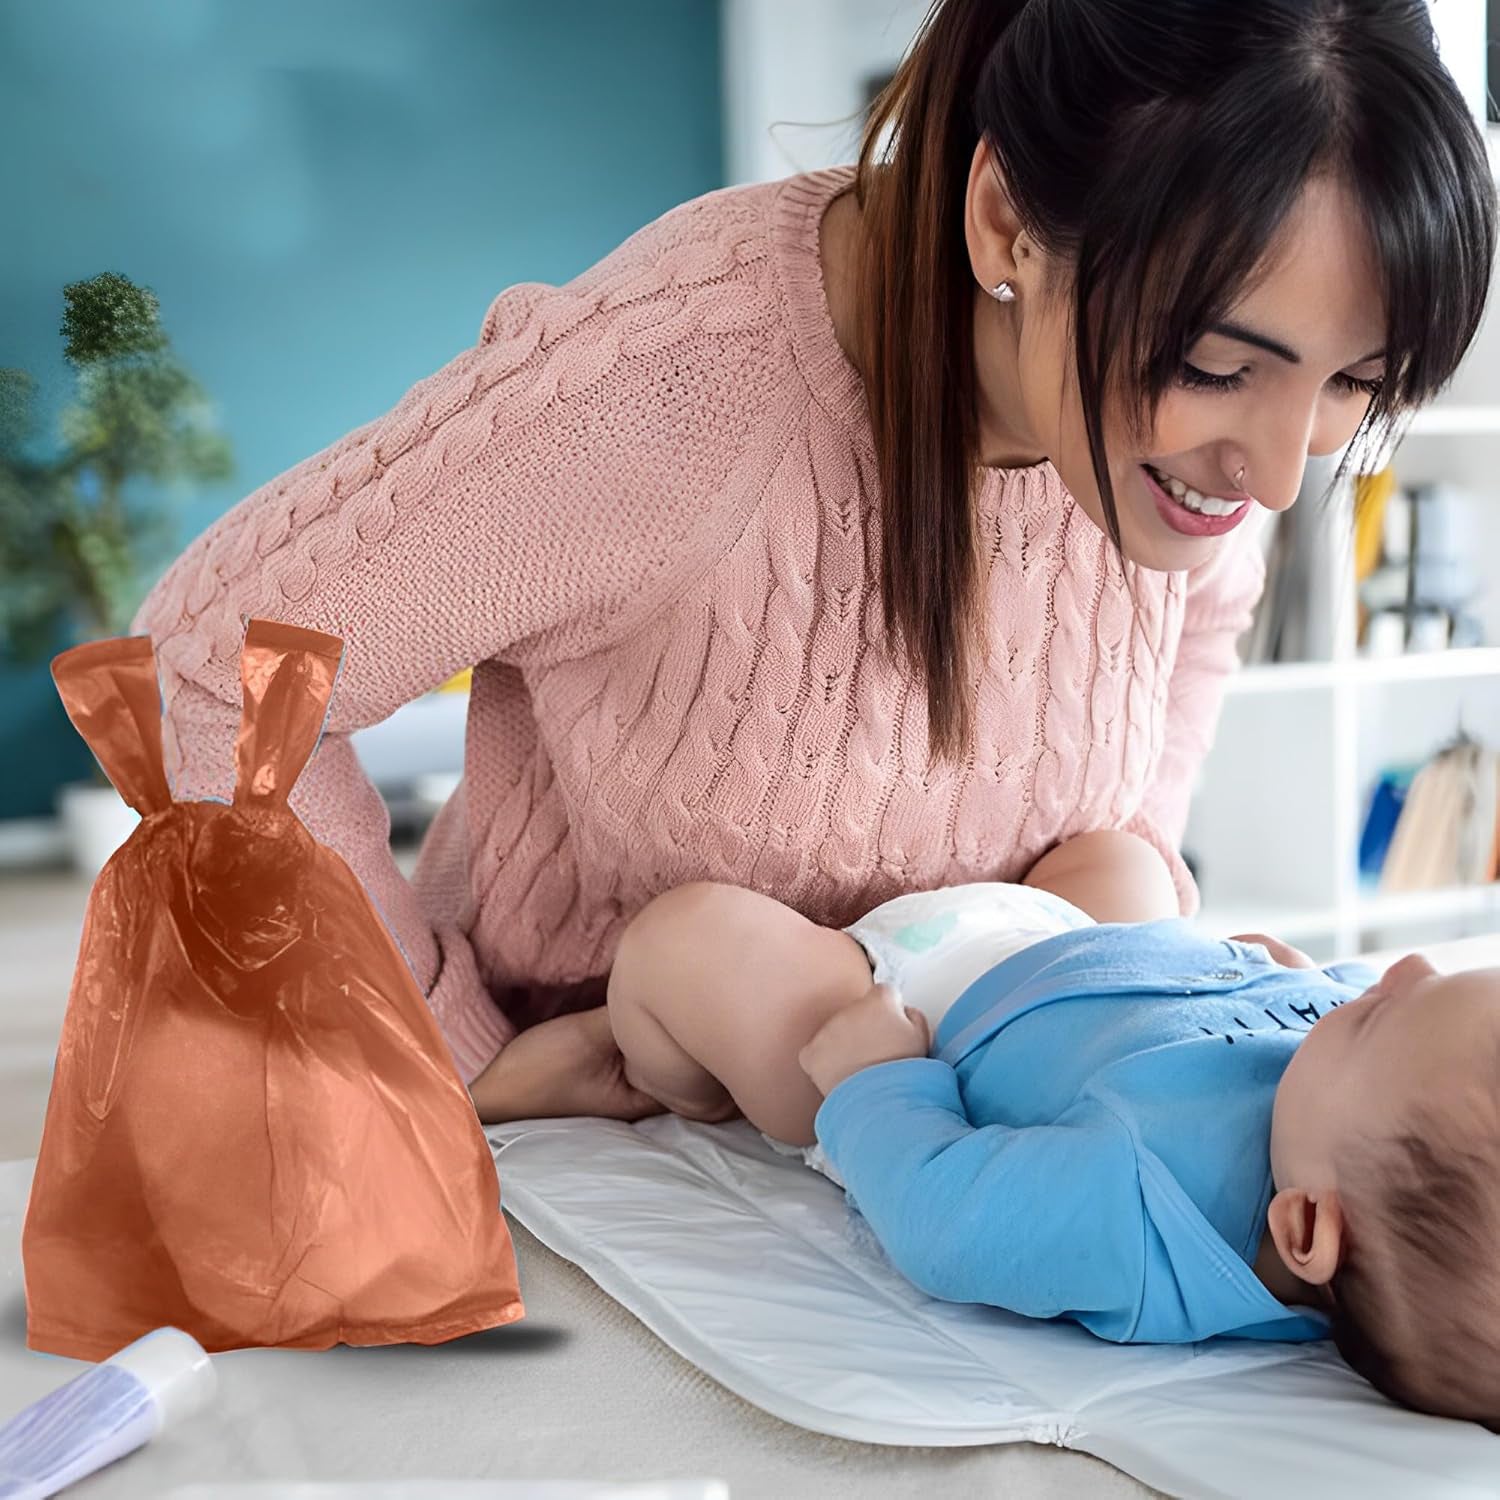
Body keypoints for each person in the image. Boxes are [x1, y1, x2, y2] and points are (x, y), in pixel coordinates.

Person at [129, 1, 1496, 1122]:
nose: (1274, 473)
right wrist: (447, 1044)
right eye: (1214, 369)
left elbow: (1205, 609)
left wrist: (1118, 887)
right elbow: (211, 664)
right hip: (606, 1134)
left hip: (918, 1133)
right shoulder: (680, 389)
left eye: (1352, 389)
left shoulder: (1195, 476)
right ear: (1008, 226)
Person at [602, 831, 1500, 1429]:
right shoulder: (1346, 1123)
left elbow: (942, 1221)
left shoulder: (1142, 1214)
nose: (1401, 967)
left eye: (1377, 1016)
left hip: (903, 1011)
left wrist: (877, 1077)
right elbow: (1318, 1003)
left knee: (686, 940)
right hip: (1074, 945)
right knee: (1121, 854)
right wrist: (1283, 978)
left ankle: (661, 1077)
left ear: (1303, 1229)